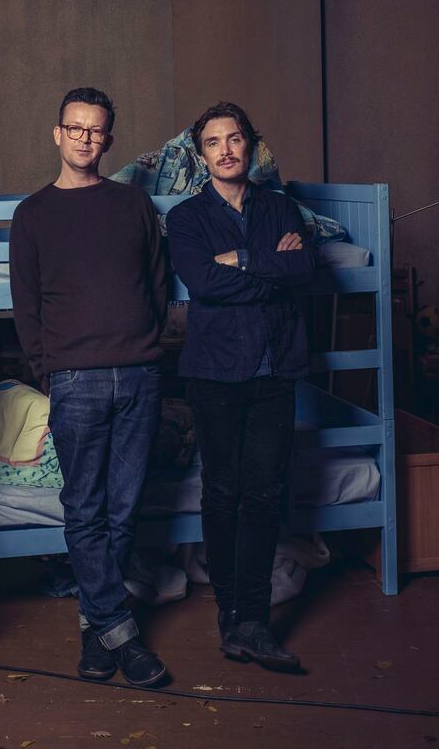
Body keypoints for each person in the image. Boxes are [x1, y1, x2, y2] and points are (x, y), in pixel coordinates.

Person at [9, 87, 169, 687]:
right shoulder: (32, 215)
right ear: (57, 133)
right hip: (74, 379)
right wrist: (48, 371)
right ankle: (123, 635)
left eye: (96, 131)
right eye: (74, 129)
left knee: (124, 508)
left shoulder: (133, 205)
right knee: (85, 509)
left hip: (140, 373)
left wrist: (146, 352)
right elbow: (26, 309)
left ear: (109, 138)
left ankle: (95, 628)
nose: (84, 139)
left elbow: (156, 284)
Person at [166, 102, 317, 672]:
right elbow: (202, 282)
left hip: (275, 370)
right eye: (213, 142)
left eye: (235, 139)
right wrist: (265, 270)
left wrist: (242, 260)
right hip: (215, 374)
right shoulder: (185, 218)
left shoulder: (281, 208)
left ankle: (253, 622)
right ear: (200, 153)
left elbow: (304, 272)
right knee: (222, 493)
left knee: (262, 495)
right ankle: (231, 615)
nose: (226, 149)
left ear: (252, 145)